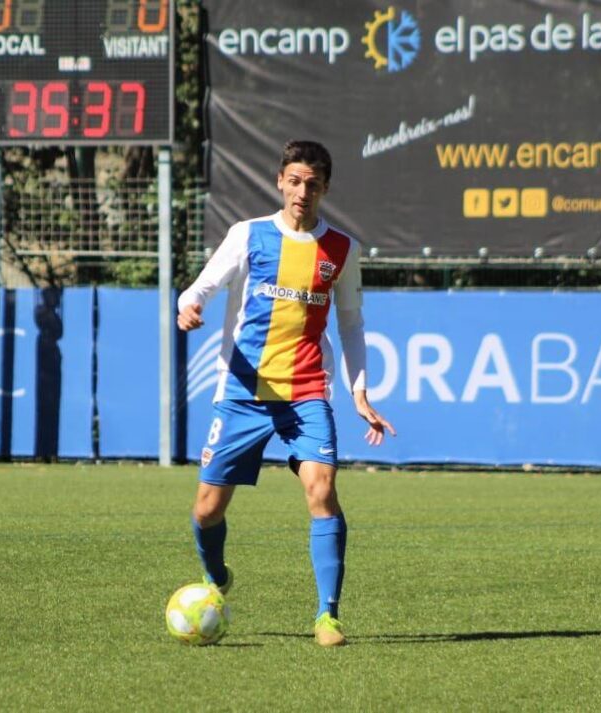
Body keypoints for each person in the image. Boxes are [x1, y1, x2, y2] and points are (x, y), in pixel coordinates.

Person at [176, 140, 395, 646]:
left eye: (312, 184)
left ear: (325, 189)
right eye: (294, 181)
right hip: (242, 390)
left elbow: (351, 324)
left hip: (306, 391)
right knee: (207, 510)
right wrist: (188, 306)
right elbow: (200, 287)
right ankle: (216, 577)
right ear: (280, 181)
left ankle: (327, 616)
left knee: (322, 490)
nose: (302, 192)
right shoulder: (248, 235)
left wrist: (360, 392)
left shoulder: (341, 249)